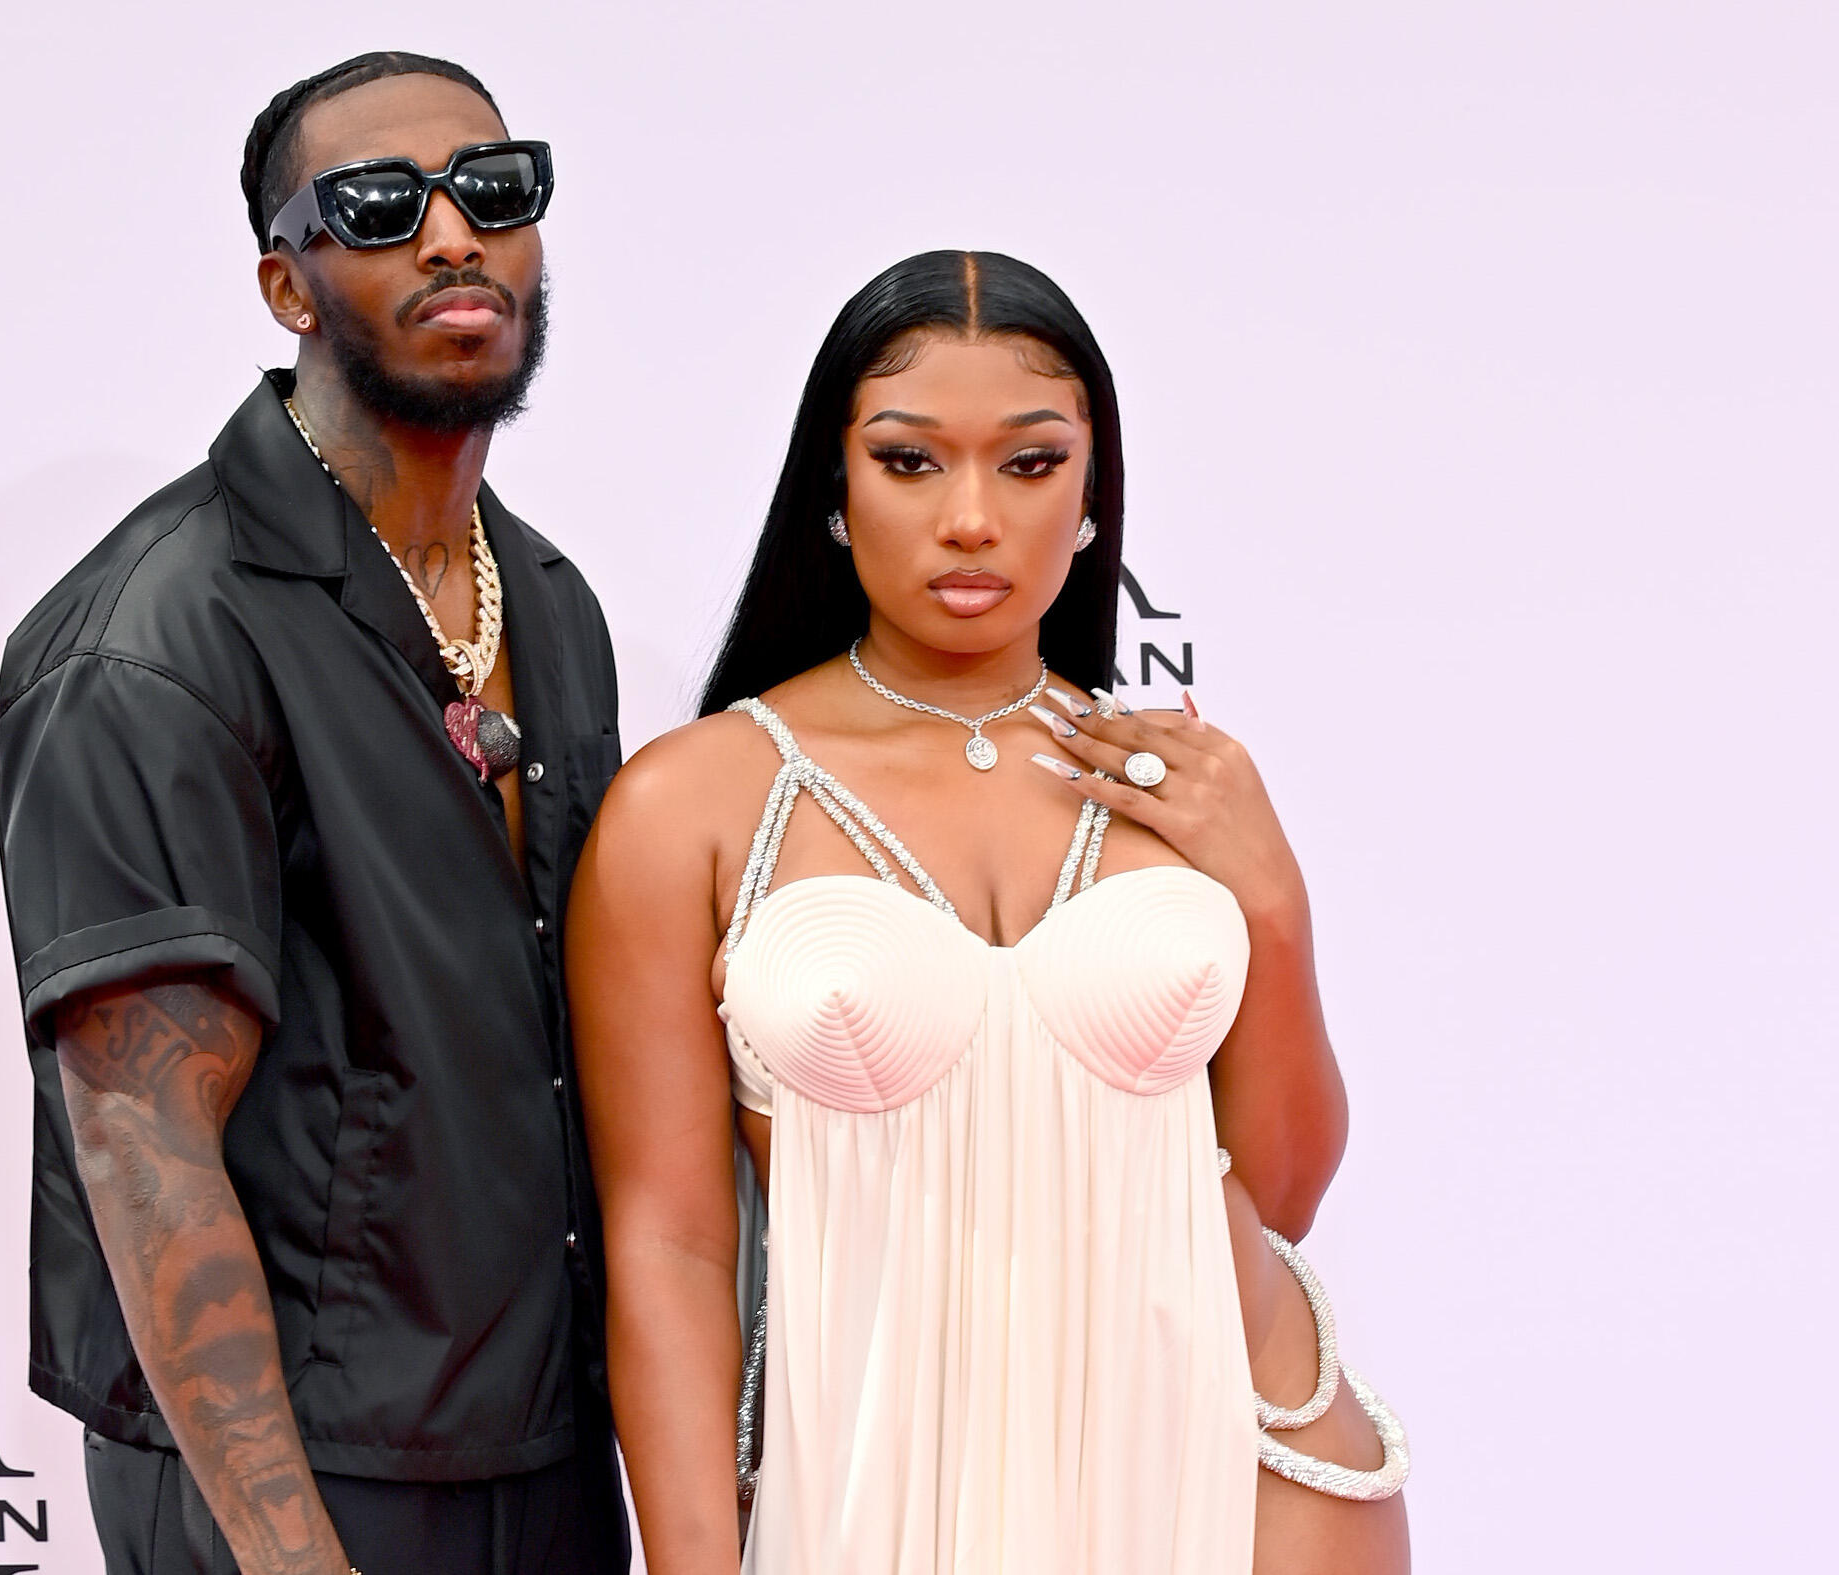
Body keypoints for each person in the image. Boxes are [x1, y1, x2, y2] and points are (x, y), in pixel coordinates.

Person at [568, 251, 1411, 1574]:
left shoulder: (1175, 784)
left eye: (1029, 464)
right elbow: (668, 1246)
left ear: (1089, 496)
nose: (971, 520)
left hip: (1241, 1470)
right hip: (874, 1501)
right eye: (909, 461)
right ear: (834, 489)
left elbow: (1285, 1192)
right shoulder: (695, 803)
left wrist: (1273, 898)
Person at [0, 52, 628, 1575]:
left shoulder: (548, 598)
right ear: (286, 283)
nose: (452, 235)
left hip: (543, 1454)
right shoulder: (154, 640)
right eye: (380, 206)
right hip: (288, 1488)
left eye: (494, 192)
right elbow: (142, 1138)